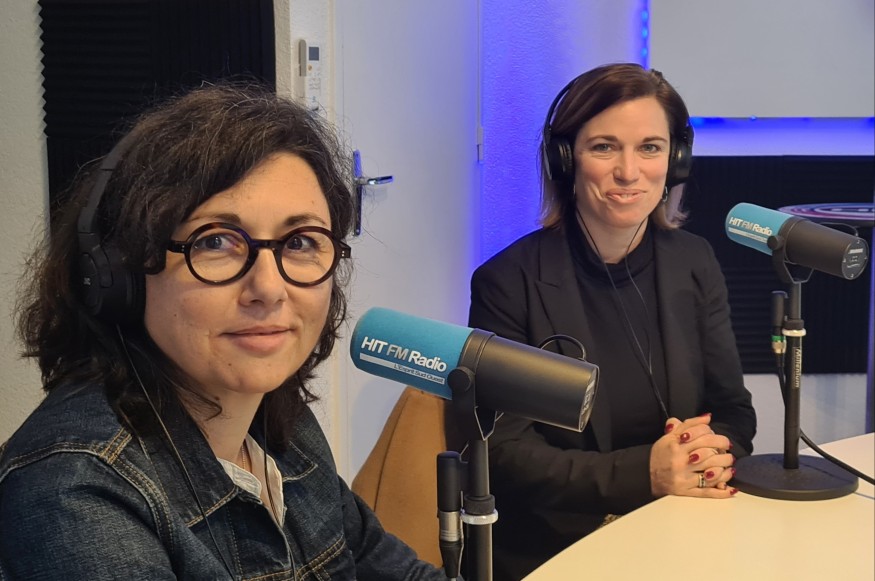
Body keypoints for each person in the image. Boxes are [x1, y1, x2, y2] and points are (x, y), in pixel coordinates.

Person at [0, 83, 447, 580]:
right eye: (215, 241)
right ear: (121, 275)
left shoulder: (277, 423)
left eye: (300, 241)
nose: (269, 288)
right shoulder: (76, 491)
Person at [468, 63, 757, 580]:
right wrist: (645, 473)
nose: (629, 172)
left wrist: (707, 455)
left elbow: (733, 411)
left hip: (682, 530)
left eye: (650, 147)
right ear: (565, 160)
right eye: (604, 147)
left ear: (676, 160)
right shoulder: (508, 282)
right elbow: (502, 452)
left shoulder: (695, 261)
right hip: (559, 549)